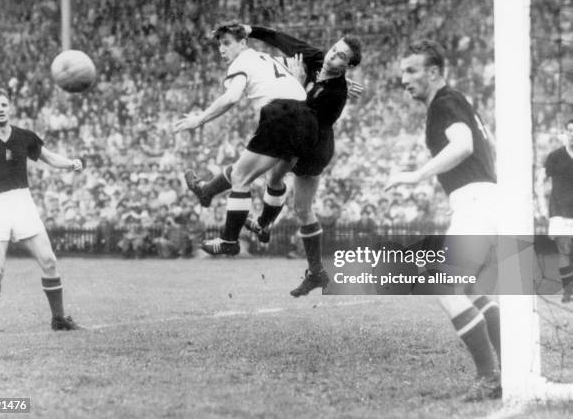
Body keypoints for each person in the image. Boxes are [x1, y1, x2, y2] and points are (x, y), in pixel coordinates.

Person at [385, 40, 501, 401]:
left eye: (412, 70)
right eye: (403, 71)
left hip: (477, 201)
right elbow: (488, 145)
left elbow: (464, 144)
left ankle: (490, 377)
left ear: (433, 72)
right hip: (486, 199)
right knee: (468, 289)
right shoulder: (456, 100)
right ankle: (509, 370)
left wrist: (416, 175)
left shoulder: (444, 103)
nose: (404, 79)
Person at [174, 23, 317, 256]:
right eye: (219, 44)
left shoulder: (241, 62)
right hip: (308, 120)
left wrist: (199, 119)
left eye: (227, 43)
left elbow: (231, 97)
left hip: (282, 114)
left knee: (241, 177)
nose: (222, 49)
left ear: (243, 43)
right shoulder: (270, 59)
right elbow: (300, 80)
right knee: (273, 176)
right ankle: (257, 221)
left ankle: (229, 240)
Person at [242, 25, 362, 297]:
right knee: (297, 204)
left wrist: (297, 83)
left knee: (283, 188)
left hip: (313, 146)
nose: (332, 56)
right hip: (298, 135)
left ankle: (263, 225)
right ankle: (316, 273)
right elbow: (284, 40)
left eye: (341, 56)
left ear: (348, 65)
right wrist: (251, 30)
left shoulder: (336, 94)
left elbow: (304, 119)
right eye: (334, 49)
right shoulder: (318, 58)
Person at [0, 88, 83, 332]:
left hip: (22, 202)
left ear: (10, 108)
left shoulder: (24, 136)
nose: (0, 109)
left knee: (49, 260)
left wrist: (71, 163)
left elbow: (48, 157)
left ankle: (58, 320)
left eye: (4, 104)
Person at [537, 119, 573, 303]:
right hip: (559, 211)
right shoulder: (555, 157)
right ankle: (568, 292)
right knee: (564, 250)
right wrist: (542, 206)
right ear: (565, 133)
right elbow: (539, 182)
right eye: (570, 131)